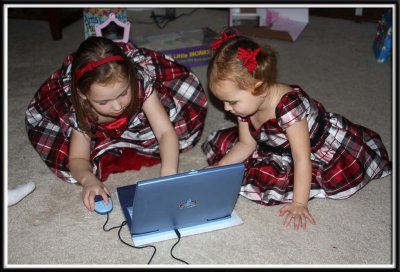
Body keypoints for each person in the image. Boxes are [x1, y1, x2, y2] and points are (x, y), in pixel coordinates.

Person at [201, 30, 392, 230]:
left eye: (231, 102)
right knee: (226, 150)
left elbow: (301, 158)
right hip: (275, 144)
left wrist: (300, 203)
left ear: (259, 87)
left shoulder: (289, 107)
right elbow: (246, 143)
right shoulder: (246, 105)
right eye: (223, 101)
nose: (226, 109)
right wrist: (219, 167)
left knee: (287, 182)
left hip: (309, 148)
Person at [25, 36, 208, 212]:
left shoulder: (139, 82)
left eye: (123, 93)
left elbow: (165, 132)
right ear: (83, 95)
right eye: (104, 102)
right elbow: (77, 159)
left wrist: (169, 173)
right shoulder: (78, 108)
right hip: (96, 135)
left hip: (140, 124)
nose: (117, 106)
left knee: (174, 139)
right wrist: (89, 180)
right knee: (71, 168)